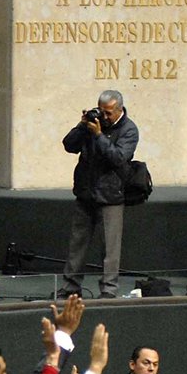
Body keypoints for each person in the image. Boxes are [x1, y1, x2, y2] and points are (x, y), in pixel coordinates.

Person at [60, 89, 138, 299]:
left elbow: (119, 158)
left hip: (111, 195)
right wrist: (82, 125)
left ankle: (109, 290)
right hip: (86, 191)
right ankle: (70, 287)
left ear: (120, 110)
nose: (104, 116)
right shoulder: (92, 125)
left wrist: (98, 135)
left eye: (109, 113)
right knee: (77, 244)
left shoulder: (129, 130)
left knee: (110, 249)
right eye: (101, 111)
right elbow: (68, 145)